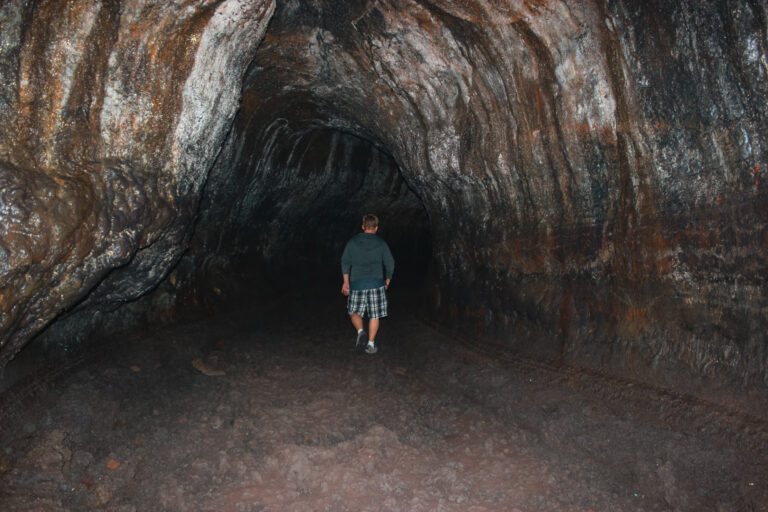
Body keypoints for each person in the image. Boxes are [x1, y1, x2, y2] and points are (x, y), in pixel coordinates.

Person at [341, 214, 395, 354]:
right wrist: (387, 280)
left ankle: (360, 332)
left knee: (354, 312)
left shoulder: (352, 242)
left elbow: (345, 263)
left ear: (363, 227)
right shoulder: (382, 243)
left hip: (357, 283)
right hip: (376, 283)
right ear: (376, 228)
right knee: (374, 315)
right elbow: (390, 263)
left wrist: (346, 283)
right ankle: (370, 344)